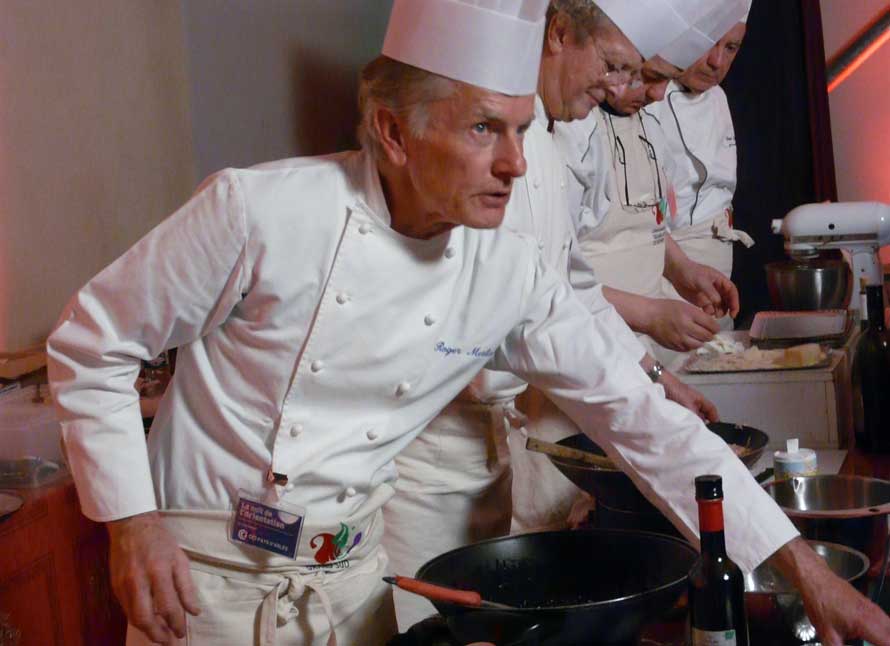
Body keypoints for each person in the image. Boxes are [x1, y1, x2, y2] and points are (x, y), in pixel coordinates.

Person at [46, 2, 890, 646]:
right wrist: (131, 522)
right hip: (209, 588)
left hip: (354, 588)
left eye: (522, 129)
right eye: (486, 129)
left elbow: (649, 428)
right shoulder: (259, 211)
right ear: (393, 132)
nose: (518, 163)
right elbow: (92, 344)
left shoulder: (507, 269)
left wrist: (811, 583)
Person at [382, 0, 716, 628]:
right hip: (419, 467)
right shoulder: (294, 204)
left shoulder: (552, 152)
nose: (619, 89)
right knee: (430, 627)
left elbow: (572, 291)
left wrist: (652, 377)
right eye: (615, 66)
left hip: (490, 451)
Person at [553, 2, 748, 365]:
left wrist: (683, 270)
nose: (659, 95)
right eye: (649, 75)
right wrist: (649, 314)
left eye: (666, 80)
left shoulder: (648, 122)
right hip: (591, 349)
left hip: (648, 349)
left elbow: (650, 222)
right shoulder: (574, 126)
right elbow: (555, 278)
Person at [651, 9, 754, 329]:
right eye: (710, 42)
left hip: (717, 286)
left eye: (731, 48)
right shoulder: (646, 99)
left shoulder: (719, 99)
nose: (716, 61)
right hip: (667, 282)